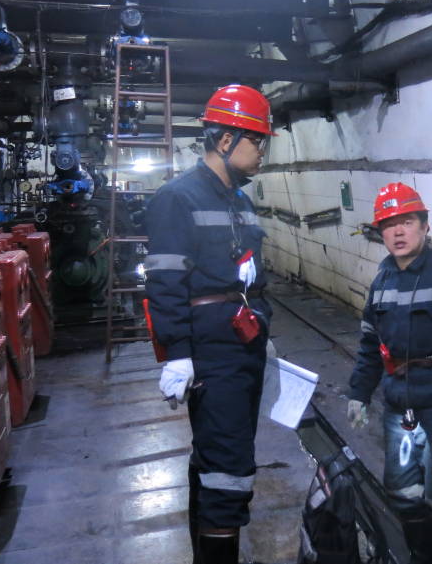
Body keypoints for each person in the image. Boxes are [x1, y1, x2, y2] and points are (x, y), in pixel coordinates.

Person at [144, 84, 276, 564]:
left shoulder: (241, 202)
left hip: (244, 346)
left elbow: (250, 277)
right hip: (213, 353)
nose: (261, 151)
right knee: (229, 469)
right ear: (225, 140)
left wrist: (263, 328)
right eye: (257, 141)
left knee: (217, 457)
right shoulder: (178, 198)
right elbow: (165, 280)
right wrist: (177, 351)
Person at [347, 182, 432, 564]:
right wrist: (359, 393)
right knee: (404, 494)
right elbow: (370, 345)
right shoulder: (382, 281)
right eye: (389, 225)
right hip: (399, 406)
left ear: (425, 226)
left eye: (406, 222)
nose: (398, 232)